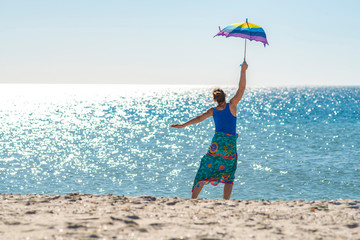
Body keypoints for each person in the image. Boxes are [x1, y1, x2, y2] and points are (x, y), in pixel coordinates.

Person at [171, 61, 248, 200]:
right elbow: (241, 89)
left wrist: (183, 125)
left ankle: (193, 199)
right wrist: (243, 70)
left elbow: (199, 118)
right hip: (229, 143)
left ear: (215, 99)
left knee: (205, 168)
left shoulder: (213, 111)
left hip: (217, 143)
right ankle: (226, 201)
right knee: (229, 172)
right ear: (225, 95)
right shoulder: (232, 105)